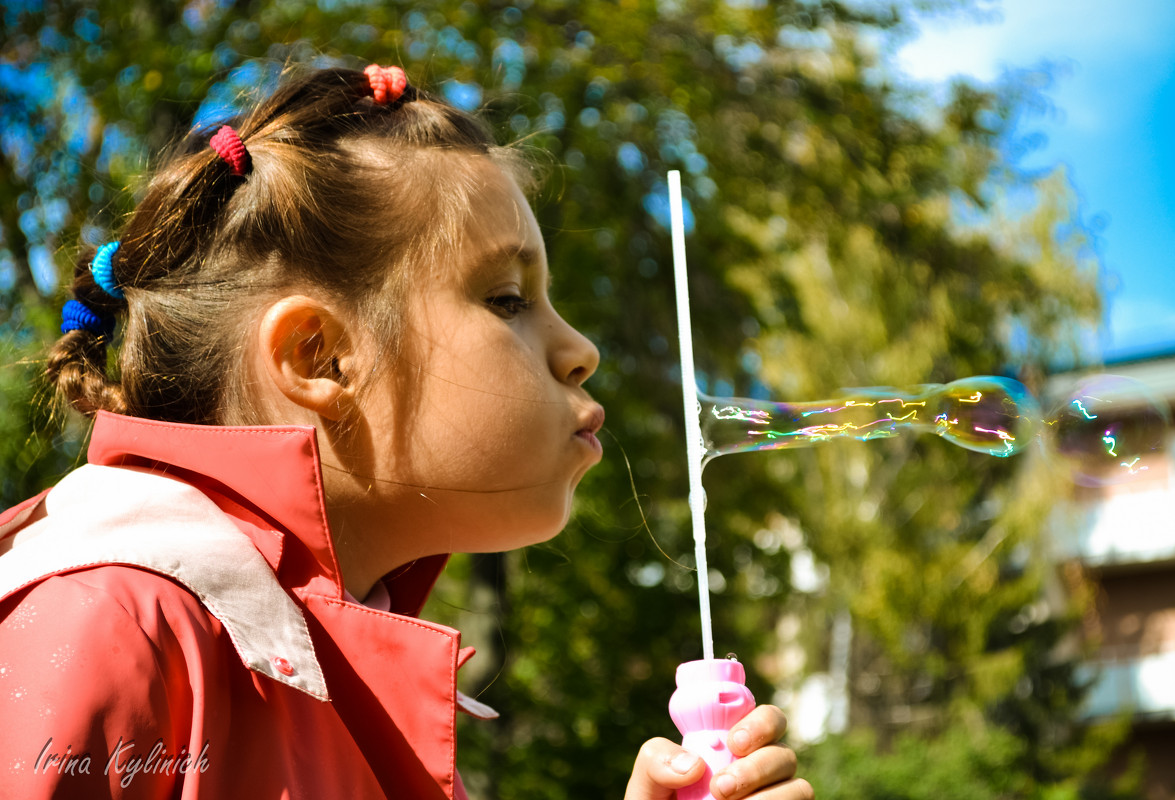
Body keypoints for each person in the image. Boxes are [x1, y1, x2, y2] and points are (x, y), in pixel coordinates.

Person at [0, 63, 812, 800]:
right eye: (508, 300)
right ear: (321, 358)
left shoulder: (348, 678)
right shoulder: (113, 626)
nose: (581, 351)